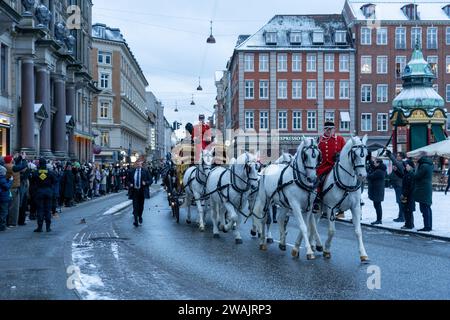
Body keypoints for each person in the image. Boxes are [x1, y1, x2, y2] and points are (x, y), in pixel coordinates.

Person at [313, 121, 346, 215]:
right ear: (324, 129)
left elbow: (345, 152)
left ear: (334, 129)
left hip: (337, 166)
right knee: (318, 181)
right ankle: (317, 200)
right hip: (324, 166)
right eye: (327, 129)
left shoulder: (339, 139)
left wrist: (339, 155)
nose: (329, 131)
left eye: (330, 129)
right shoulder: (319, 140)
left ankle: (349, 202)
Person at [31, 158, 57, 233]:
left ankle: (40, 227)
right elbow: (55, 180)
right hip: (48, 192)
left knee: (40, 209)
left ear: (39, 164)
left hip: (39, 192)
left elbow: (32, 181)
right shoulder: (49, 172)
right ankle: (48, 227)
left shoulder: (36, 172)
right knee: (48, 210)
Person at [412, 152, 434, 232]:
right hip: (425, 188)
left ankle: (427, 227)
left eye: (417, 156)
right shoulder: (427, 164)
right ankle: (428, 226)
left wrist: (411, 170)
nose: (416, 157)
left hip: (423, 189)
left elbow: (417, 176)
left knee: (424, 208)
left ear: (421, 156)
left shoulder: (424, 165)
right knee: (427, 207)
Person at [128, 160, 152, 227]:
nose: (138, 165)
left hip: (142, 191)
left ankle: (140, 216)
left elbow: (151, 180)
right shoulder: (131, 172)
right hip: (134, 191)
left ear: (141, 165)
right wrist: (130, 184)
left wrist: (146, 183)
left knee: (141, 206)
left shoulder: (145, 171)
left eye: (139, 164)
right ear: (135, 165)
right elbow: (128, 181)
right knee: (135, 206)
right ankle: (135, 221)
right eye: (137, 164)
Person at [386, 150, 406, 223]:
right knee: (399, 201)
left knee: (401, 201)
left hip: (399, 185)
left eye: (398, 156)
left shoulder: (402, 163)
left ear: (401, 157)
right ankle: (401, 216)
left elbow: (395, 162)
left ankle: (402, 217)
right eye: (396, 156)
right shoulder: (399, 164)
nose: (397, 157)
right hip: (397, 185)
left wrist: (390, 155)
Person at [367, 158, 387, 225]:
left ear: (378, 163)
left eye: (375, 162)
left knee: (377, 206)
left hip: (377, 191)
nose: (374, 163)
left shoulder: (379, 171)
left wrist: (365, 173)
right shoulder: (379, 169)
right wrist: (369, 159)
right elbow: (373, 166)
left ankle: (379, 220)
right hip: (377, 191)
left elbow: (370, 176)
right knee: (377, 205)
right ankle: (378, 219)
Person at [401, 159, 416, 230]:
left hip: (409, 195)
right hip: (405, 194)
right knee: (405, 209)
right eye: (405, 166)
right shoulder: (406, 173)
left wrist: (404, 194)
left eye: (407, 165)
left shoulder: (411, 174)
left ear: (411, 166)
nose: (405, 167)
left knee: (408, 209)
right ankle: (408, 223)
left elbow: (409, 187)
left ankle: (409, 224)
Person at [0, 165, 13, 232]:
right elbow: (7, 186)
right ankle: (2, 226)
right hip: (3, 197)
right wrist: (10, 181)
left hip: (2, 196)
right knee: (4, 212)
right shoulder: (2, 178)